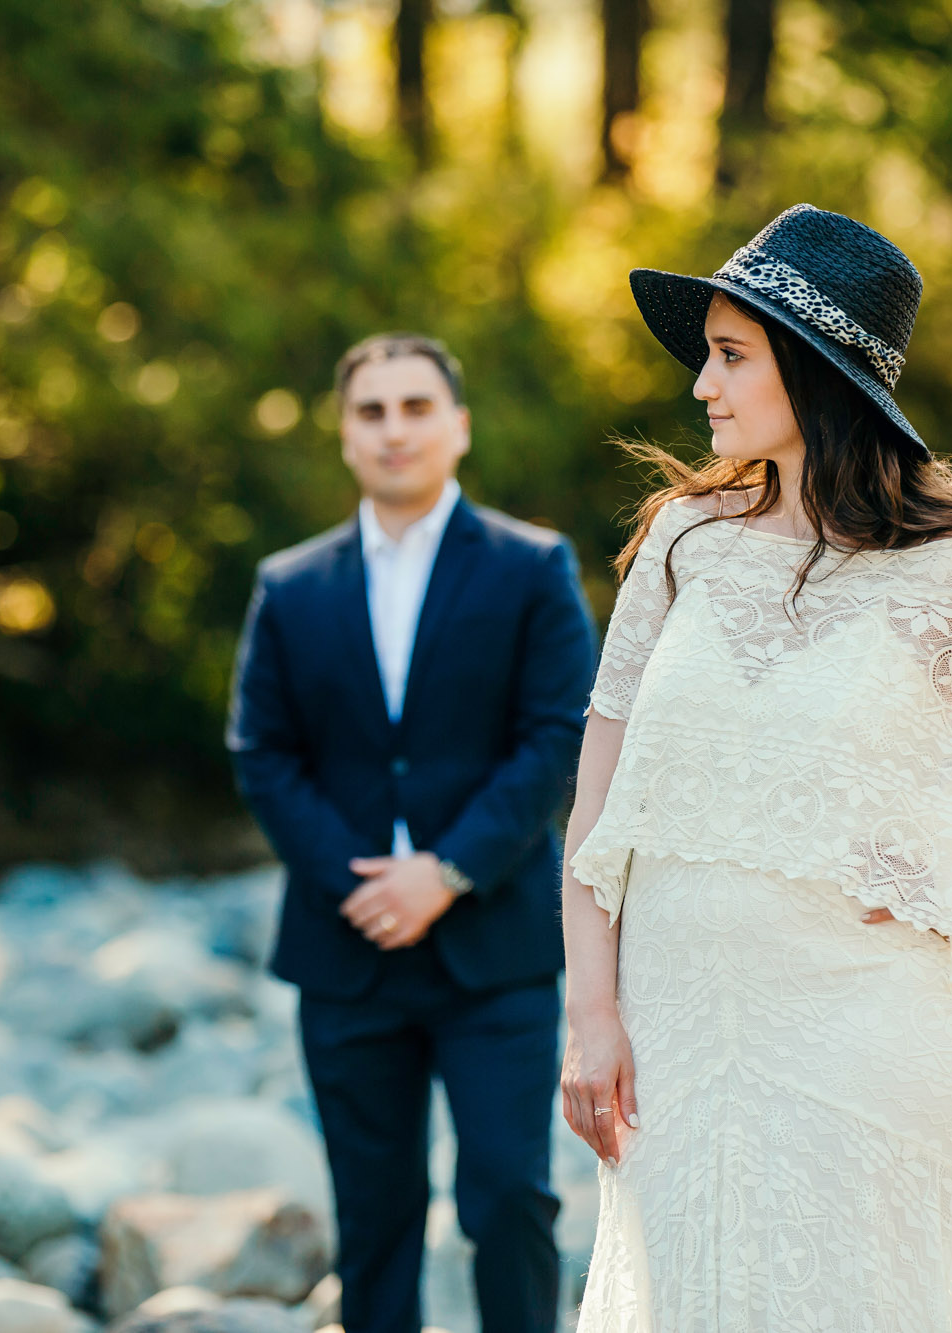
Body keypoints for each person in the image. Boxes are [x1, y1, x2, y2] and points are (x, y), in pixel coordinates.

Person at [560, 204, 952, 1328]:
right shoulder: (680, 541)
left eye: (731, 355)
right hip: (675, 1038)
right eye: (706, 354)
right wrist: (590, 1011)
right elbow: (596, 791)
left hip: (866, 1039)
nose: (701, 383)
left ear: (811, 370)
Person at [227, 332, 597, 1333]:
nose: (395, 430)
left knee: (508, 1196)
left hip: (494, 947)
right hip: (345, 951)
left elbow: (557, 736)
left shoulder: (529, 567)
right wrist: (358, 883)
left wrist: (446, 871)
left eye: (416, 407)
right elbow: (261, 751)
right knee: (375, 1215)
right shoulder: (290, 586)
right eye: (372, 411)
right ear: (345, 434)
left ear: (458, 426)